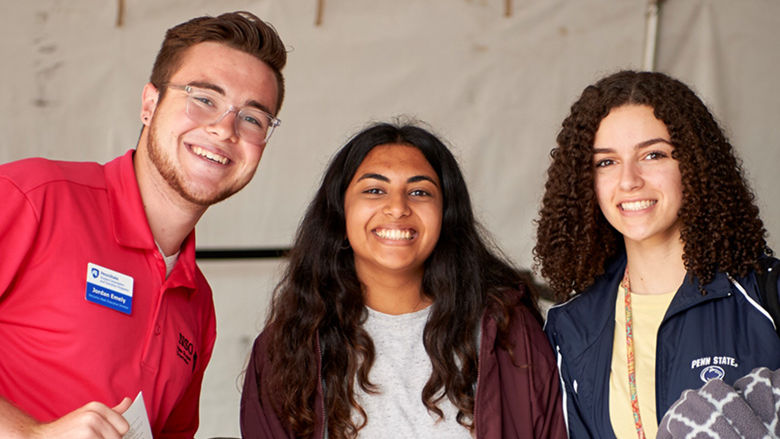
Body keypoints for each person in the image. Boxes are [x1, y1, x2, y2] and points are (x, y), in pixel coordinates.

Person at [0, 11, 286, 438]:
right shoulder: (33, 197)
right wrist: (28, 433)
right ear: (149, 104)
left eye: (252, 118)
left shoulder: (198, 306)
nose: (225, 129)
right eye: (204, 98)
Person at [240, 121, 566, 438]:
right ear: (340, 211)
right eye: (375, 190)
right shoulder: (284, 350)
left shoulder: (509, 333)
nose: (397, 207)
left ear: (446, 214)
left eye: (420, 192)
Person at [535, 70, 780, 439]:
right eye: (606, 162)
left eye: (653, 154)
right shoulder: (570, 327)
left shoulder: (767, 295)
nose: (629, 180)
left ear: (695, 164)